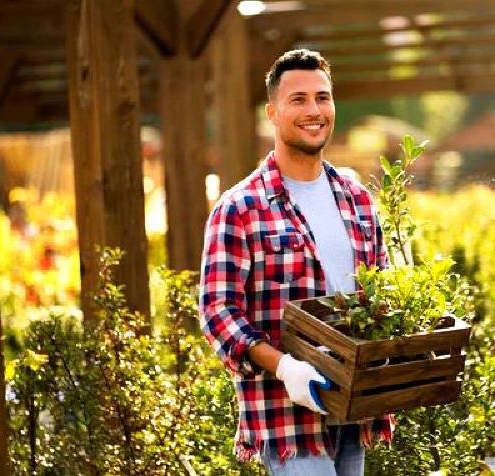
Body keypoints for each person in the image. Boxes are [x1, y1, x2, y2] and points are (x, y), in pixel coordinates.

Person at [198, 49, 392, 475]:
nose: (314, 110)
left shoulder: (359, 202)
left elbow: (381, 294)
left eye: (322, 98)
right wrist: (286, 368)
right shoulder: (240, 208)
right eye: (298, 99)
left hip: (353, 406)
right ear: (272, 111)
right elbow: (217, 312)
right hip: (285, 416)